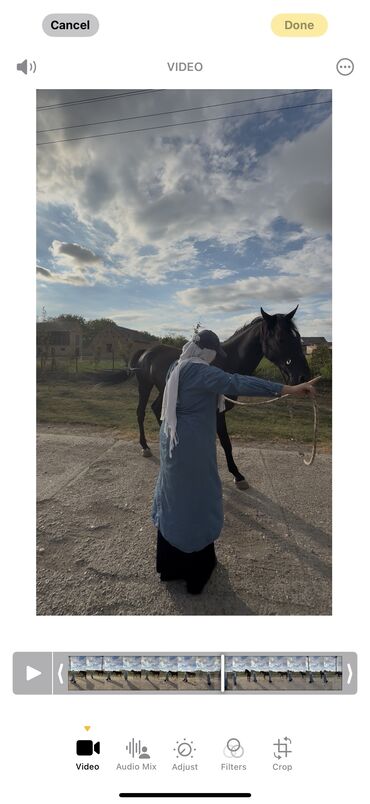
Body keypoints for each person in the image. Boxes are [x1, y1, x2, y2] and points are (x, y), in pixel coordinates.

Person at [152, 329, 318, 595]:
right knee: (198, 500)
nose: (217, 357)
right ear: (208, 352)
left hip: (171, 445)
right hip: (192, 449)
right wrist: (289, 388)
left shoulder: (178, 365)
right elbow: (239, 382)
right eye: (216, 353)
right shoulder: (201, 372)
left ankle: (172, 566)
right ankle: (194, 571)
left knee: (174, 498)